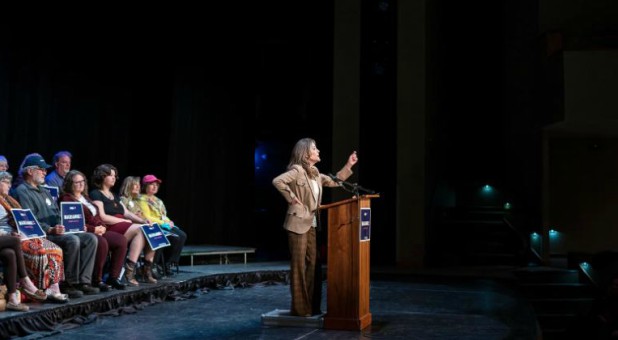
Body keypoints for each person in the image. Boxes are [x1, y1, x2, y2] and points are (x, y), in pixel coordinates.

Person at [272, 138, 358, 317]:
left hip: (312, 224)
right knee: (299, 266)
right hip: (297, 224)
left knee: (313, 265)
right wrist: (291, 198)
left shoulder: (316, 174)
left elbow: (336, 181)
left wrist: (348, 165)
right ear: (305, 153)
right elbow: (278, 181)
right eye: (314, 148)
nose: (318, 151)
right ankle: (299, 308)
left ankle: (311, 307)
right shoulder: (297, 171)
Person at [14, 153, 99, 298]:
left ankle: (83, 282)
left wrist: (69, 225)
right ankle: (68, 284)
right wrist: (50, 229)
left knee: (90, 238)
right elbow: (29, 221)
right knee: (73, 240)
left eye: (45, 170)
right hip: (43, 234)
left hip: (57, 230)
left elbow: (57, 213)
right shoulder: (22, 191)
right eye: (41, 169)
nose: (45, 172)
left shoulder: (45, 190)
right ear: (29, 171)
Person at [0, 171, 68, 303]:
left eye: (9, 182)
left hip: (16, 235)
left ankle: (53, 288)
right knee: (38, 250)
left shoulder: (8, 200)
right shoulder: (17, 193)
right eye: (6, 182)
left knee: (55, 249)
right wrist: (8, 234)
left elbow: (21, 219)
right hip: (8, 237)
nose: (9, 186)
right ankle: (34, 285)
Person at [60, 170, 128, 291]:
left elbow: (96, 216)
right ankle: (97, 279)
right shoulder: (67, 199)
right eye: (77, 182)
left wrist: (102, 226)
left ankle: (113, 277)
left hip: (98, 229)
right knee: (101, 242)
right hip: (83, 231)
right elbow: (75, 221)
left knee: (121, 240)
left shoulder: (86, 198)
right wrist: (93, 229)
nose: (81, 184)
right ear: (70, 184)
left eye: (83, 181)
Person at [89, 164, 157, 286]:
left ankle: (146, 269)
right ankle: (130, 270)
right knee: (141, 230)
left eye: (115, 176)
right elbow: (102, 217)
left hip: (123, 225)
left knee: (150, 229)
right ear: (102, 176)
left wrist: (143, 221)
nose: (114, 178)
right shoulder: (96, 194)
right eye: (111, 175)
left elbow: (126, 212)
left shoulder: (114, 195)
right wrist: (124, 221)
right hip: (110, 226)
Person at [136, 175, 187, 276]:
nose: (155, 187)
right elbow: (147, 217)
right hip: (152, 225)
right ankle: (155, 265)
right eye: (152, 184)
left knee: (182, 235)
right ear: (145, 186)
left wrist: (169, 221)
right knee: (172, 237)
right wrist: (164, 223)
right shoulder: (141, 199)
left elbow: (163, 215)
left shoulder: (158, 200)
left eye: (156, 185)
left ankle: (168, 264)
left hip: (162, 224)